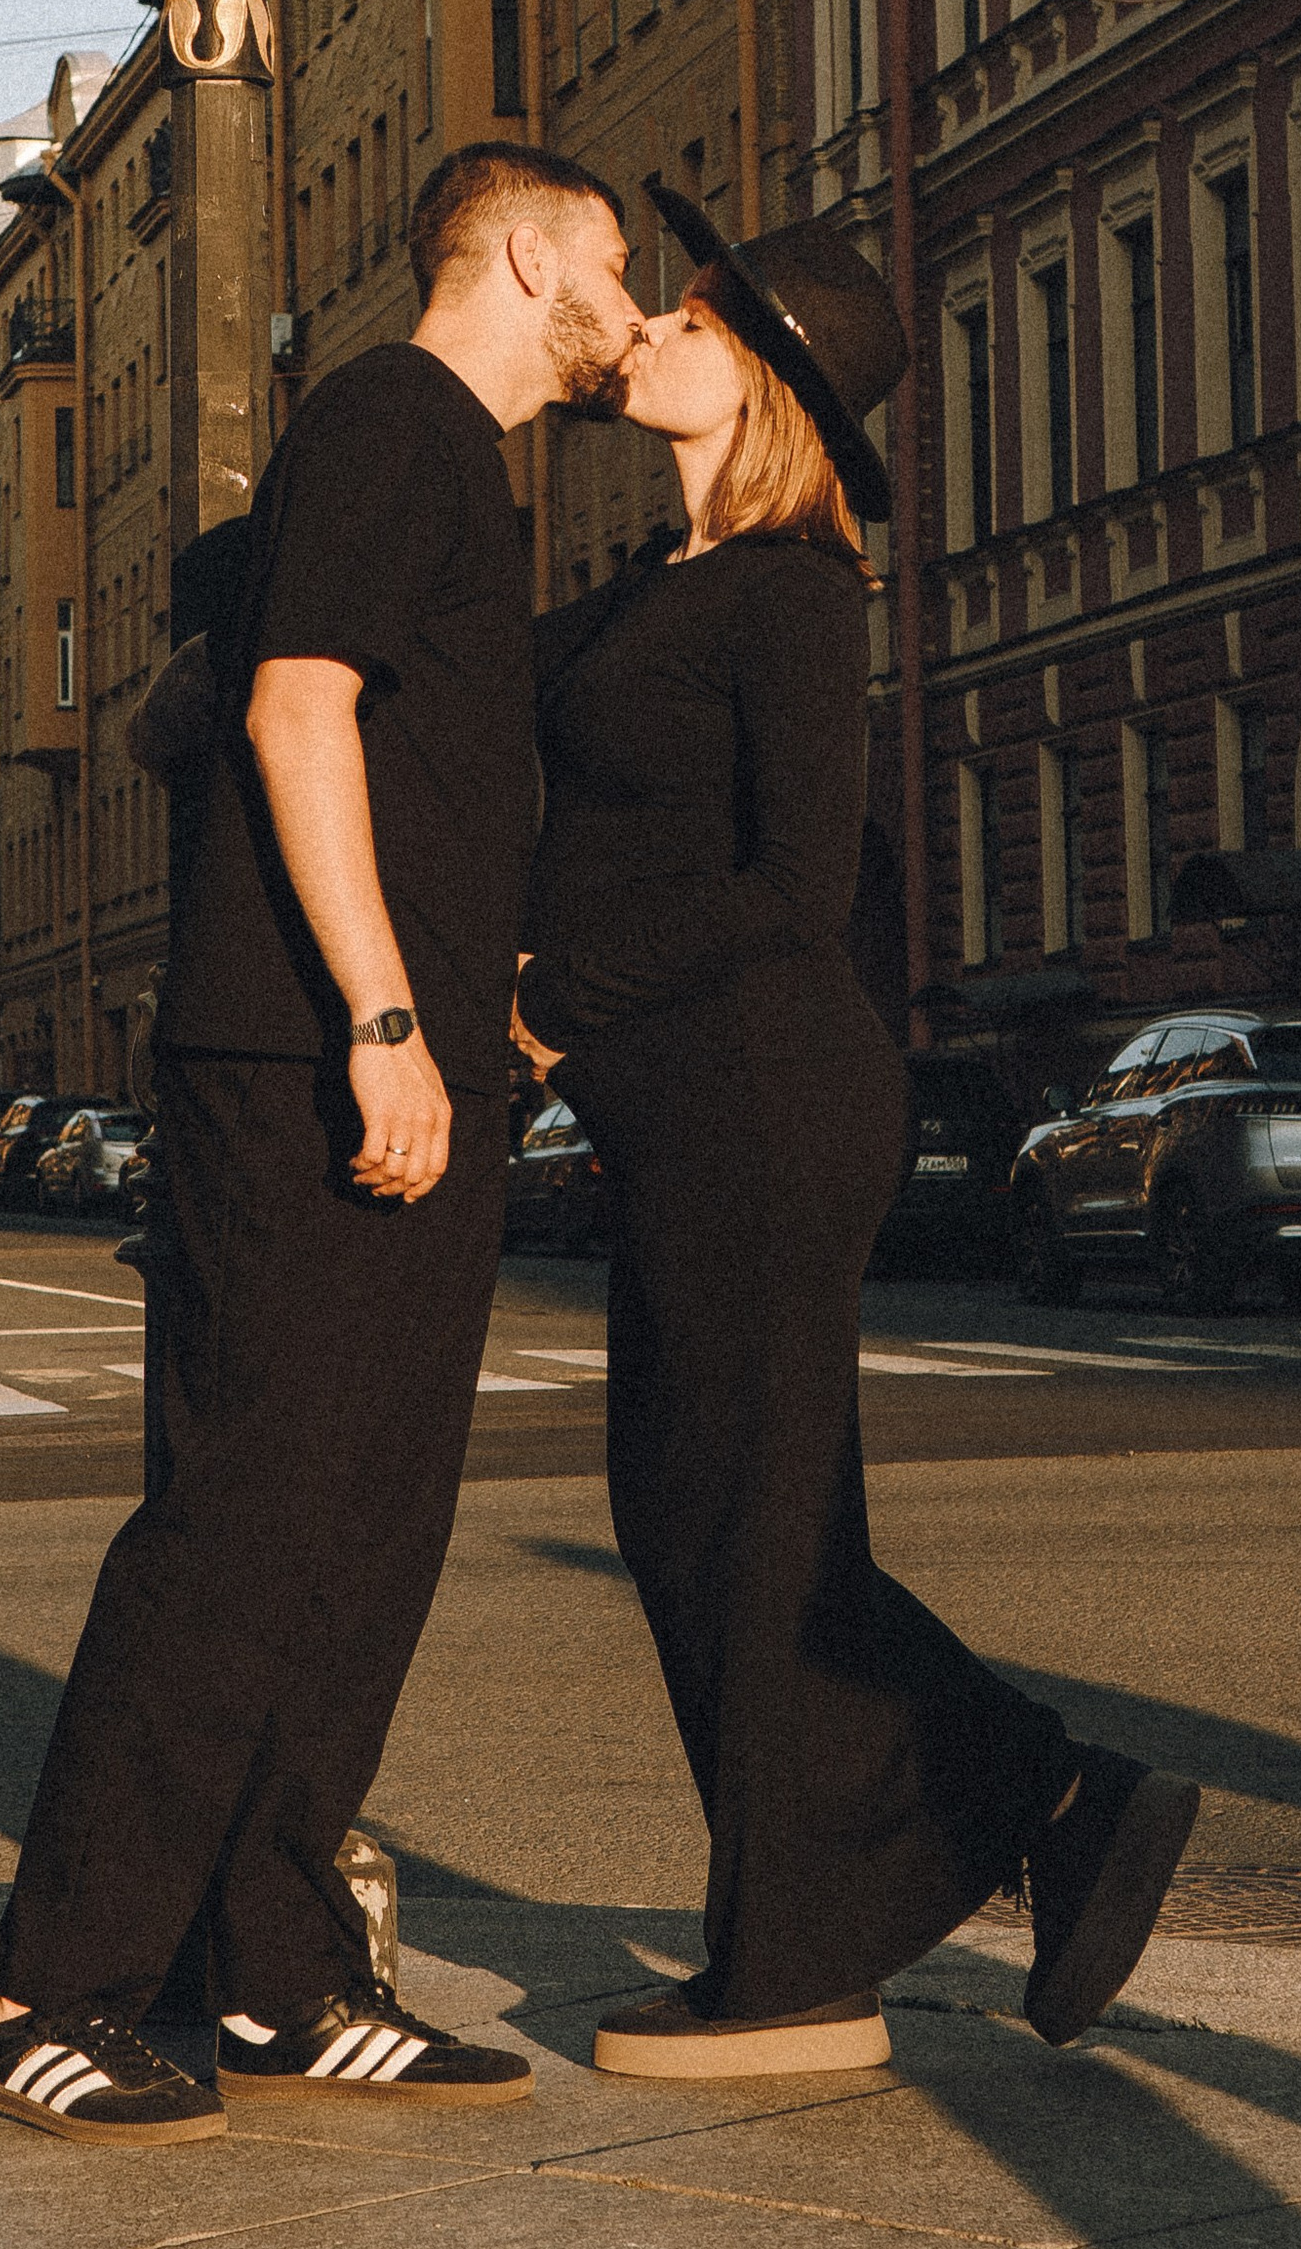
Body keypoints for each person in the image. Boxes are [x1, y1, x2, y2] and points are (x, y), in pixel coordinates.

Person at [0, 139, 642, 2146]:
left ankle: (275, 1972)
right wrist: (381, 1018)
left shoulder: (459, 471)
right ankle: (43, 1986)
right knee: (243, 1528)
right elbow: (293, 711)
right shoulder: (390, 421)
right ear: (526, 258)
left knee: (365, 1534)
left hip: (404, 1067)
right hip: (304, 1064)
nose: (624, 306)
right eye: (610, 264)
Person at [512, 191, 1200, 2078]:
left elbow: (798, 886)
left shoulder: (796, 593)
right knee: (711, 1521)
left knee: (746, 1531)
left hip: (763, 1100)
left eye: (691, 317)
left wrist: (554, 996)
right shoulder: (656, 584)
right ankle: (1024, 1814)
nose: (651, 328)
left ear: (764, 381)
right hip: (690, 1112)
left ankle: (843, 1927)